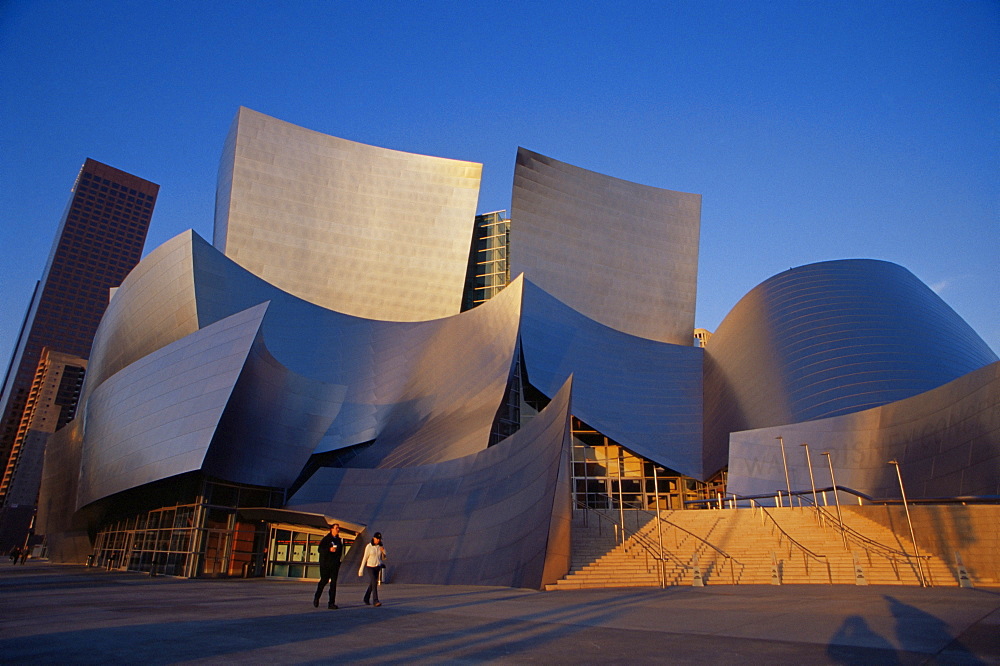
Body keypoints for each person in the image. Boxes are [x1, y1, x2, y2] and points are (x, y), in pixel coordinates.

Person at [314, 523, 343, 609]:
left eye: (338, 528)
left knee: (333, 584)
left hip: (334, 565)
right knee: (324, 581)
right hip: (326, 564)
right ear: (332, 529)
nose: (338, 529)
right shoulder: (326, 539)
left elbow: (340, 552)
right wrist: (329, 549)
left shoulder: (338, 540)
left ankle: (331, 603)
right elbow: (320, 549)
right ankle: (317, 597)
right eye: (336, 528)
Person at [358, 532, 387, 607]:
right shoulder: (369, 546)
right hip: (370, 566)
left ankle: (366, 598)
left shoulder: (380, 546)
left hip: (377, 566)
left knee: (372, 583)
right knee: (374, 582)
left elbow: (384, 558)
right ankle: (375, 600)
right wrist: (361, 569)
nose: (378, 540)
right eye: (377, 539)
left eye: (379, 539)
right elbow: (365, 558)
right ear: (374, 538)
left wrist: (383, 551)